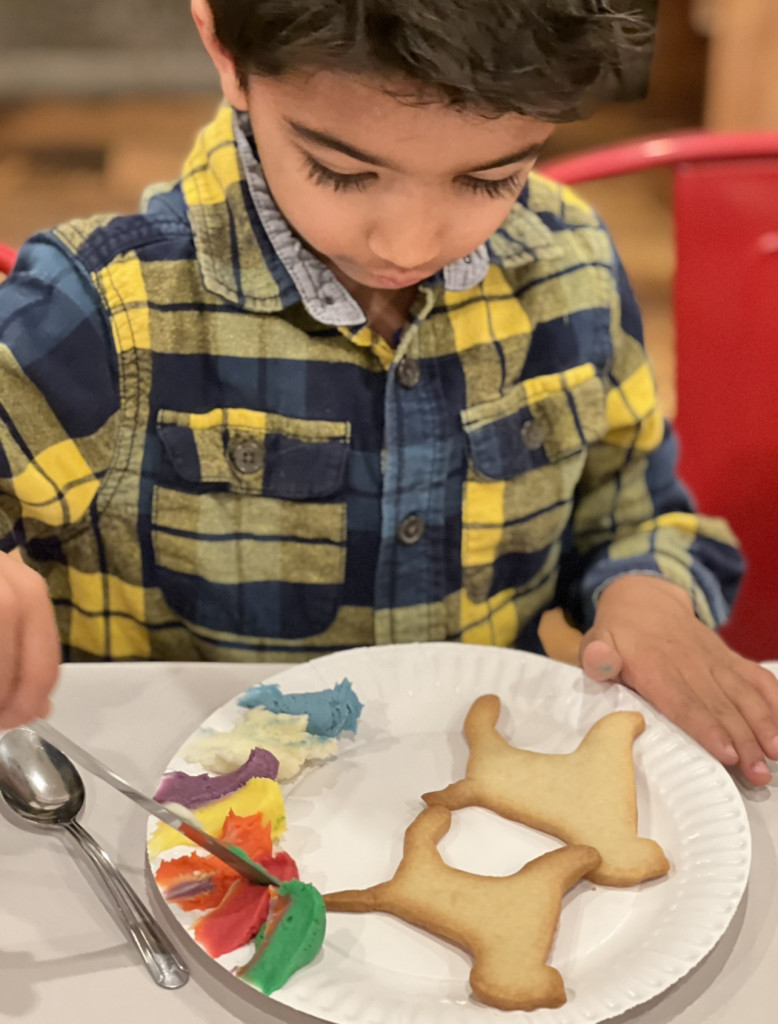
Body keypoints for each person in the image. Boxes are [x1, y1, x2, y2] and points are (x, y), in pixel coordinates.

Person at [1, 0, 776, 785]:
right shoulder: (105, 306)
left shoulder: (569, 271)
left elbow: (636, 509)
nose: (408, 245)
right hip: (176, 818)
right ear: (225, 49)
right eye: (341, 170)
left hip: (469, 803)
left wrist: (646, 591)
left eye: (490, 177)